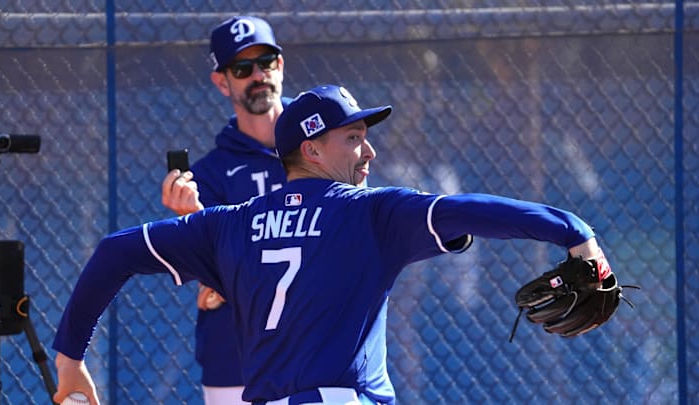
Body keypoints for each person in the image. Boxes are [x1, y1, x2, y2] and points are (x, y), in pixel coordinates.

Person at [52, 84, 615, 405]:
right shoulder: (368, 212)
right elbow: (471, 209)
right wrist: (573, 231)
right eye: (354, 139)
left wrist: (69, 357)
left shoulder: (228, 223)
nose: (368, 153)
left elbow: (113, 252)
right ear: (313, 150)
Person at [161, 15, 289, 405]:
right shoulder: (208, 176)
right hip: (235, 360)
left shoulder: (321, 143)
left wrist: (227, 275)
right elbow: (209, 275)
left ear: (280, 66)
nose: (257, 76)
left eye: (265, 62)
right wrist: (194, 225)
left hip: (317, 349)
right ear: (222, 82)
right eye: (241, 68)